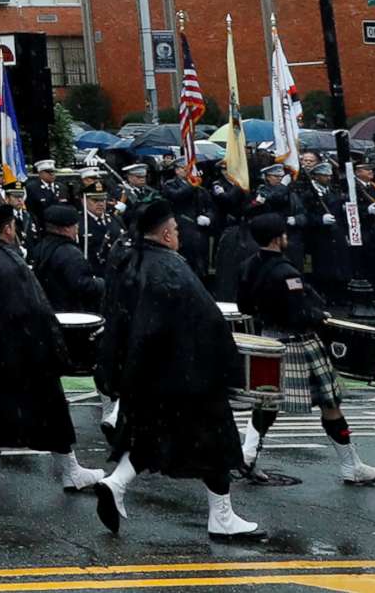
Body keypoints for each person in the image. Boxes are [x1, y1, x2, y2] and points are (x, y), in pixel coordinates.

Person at [94, 198, 265, 538]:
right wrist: (227, 368)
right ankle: (223, 518)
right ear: (168, 234)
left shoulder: (130, 263)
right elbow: (207, 323)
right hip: (186, 378)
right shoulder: (173, 270)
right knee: (216, 445)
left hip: (147, 377)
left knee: (149, 439)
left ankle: (115, 483)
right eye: (176, 230)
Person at [0, 201, 105, 495]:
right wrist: (54, 349)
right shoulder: (10, 262)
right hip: (15, 354)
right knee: (52, 410)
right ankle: (71, 472)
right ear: (7, 228)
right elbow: (34, 310)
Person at [239, 211, 375, 485]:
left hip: (266, 341)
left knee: (266, 402)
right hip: (297, 342)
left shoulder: (247, 266)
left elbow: (244, 306)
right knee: (330, 404)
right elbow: (298, 314)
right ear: (276, 238)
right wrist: (318, 316)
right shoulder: (286, 272)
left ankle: (247, 455)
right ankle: (351, 466)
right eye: (283, 233)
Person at [30, 202, 104, 314]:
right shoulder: (70, 254)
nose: (77, 229)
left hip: (48, 309)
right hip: (70, 312)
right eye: (75, 226)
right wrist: (100, 283)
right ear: (66, 229)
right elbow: (82, 285)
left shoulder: (41, 246)